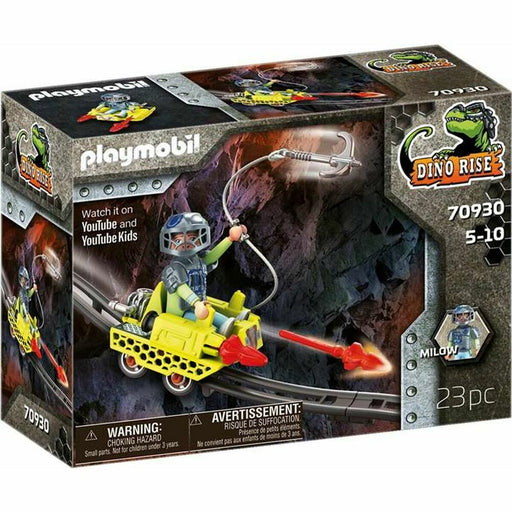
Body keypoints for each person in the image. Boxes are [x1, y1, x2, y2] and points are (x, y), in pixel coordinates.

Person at [160, 212, 246, 336]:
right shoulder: (175, 267)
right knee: (211, 330)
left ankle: (235, 324)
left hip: (200, 307)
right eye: (178, 240)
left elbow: (212, 256)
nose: (185, 244)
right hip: (181, 314)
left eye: (192, 239)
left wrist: (230, 239)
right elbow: (181, 288)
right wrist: (196, 303)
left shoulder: (197, 261)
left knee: (225, 322)